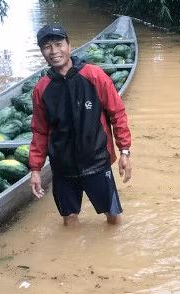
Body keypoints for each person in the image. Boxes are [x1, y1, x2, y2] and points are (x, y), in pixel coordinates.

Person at [28, 23, 132, 226]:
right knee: (69, 220)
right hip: (62, 167)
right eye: (47, 47)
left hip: (97, 161)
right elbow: (39, 131)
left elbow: (117, 113)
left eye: (59, 44)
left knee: (113, 219)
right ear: (42, 52)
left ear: (69, 45)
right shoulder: (42, 89)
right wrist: (35, 169)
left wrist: (125, 152)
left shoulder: (94, 76)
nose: (54, 51)